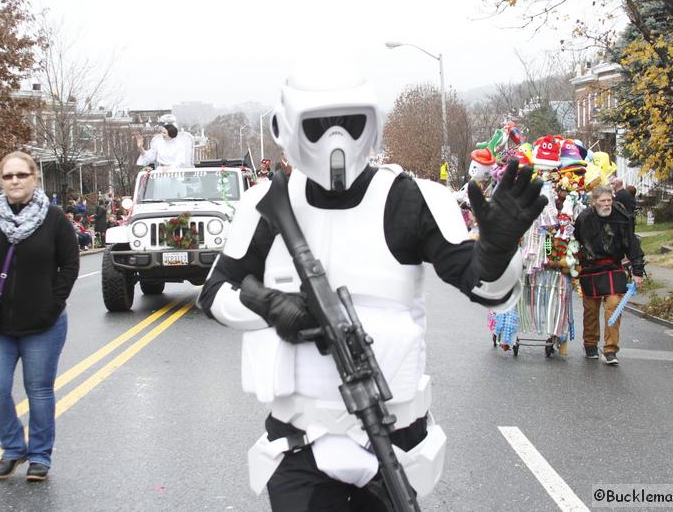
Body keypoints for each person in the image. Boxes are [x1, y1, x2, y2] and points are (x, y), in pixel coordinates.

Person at [198, 68, 546, 509]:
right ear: (286, 128)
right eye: (319, 124)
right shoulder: (265, 205)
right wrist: (267, 305)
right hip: (299, 442)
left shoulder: (412, 198)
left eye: (349, 122)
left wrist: (497, 253)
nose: (335, 139)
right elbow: (214, 293)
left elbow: (483, 285)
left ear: (373, 123)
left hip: (395, 440)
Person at [0, 151, 79, 482]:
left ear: (34, 177)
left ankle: (39, 455)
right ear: (0, 181)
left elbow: (70, 264)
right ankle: (12, 448)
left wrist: (54, 303)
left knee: (38, 390)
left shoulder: (53, 218)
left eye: (21, 175)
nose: (15, 181)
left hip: (43, 323)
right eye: (8, 176)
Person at [574, 184, 645, 365]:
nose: (607, 204)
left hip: (613, 267)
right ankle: (590, 344)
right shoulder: (583, 219)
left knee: (614, 306)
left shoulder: (622, 217)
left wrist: (637, 272)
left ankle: (611, 349)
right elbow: (575, 242)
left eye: (609, 200)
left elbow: (632, 244)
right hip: (590, 269)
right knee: (591, 310)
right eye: (603, 201)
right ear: (594, 202)